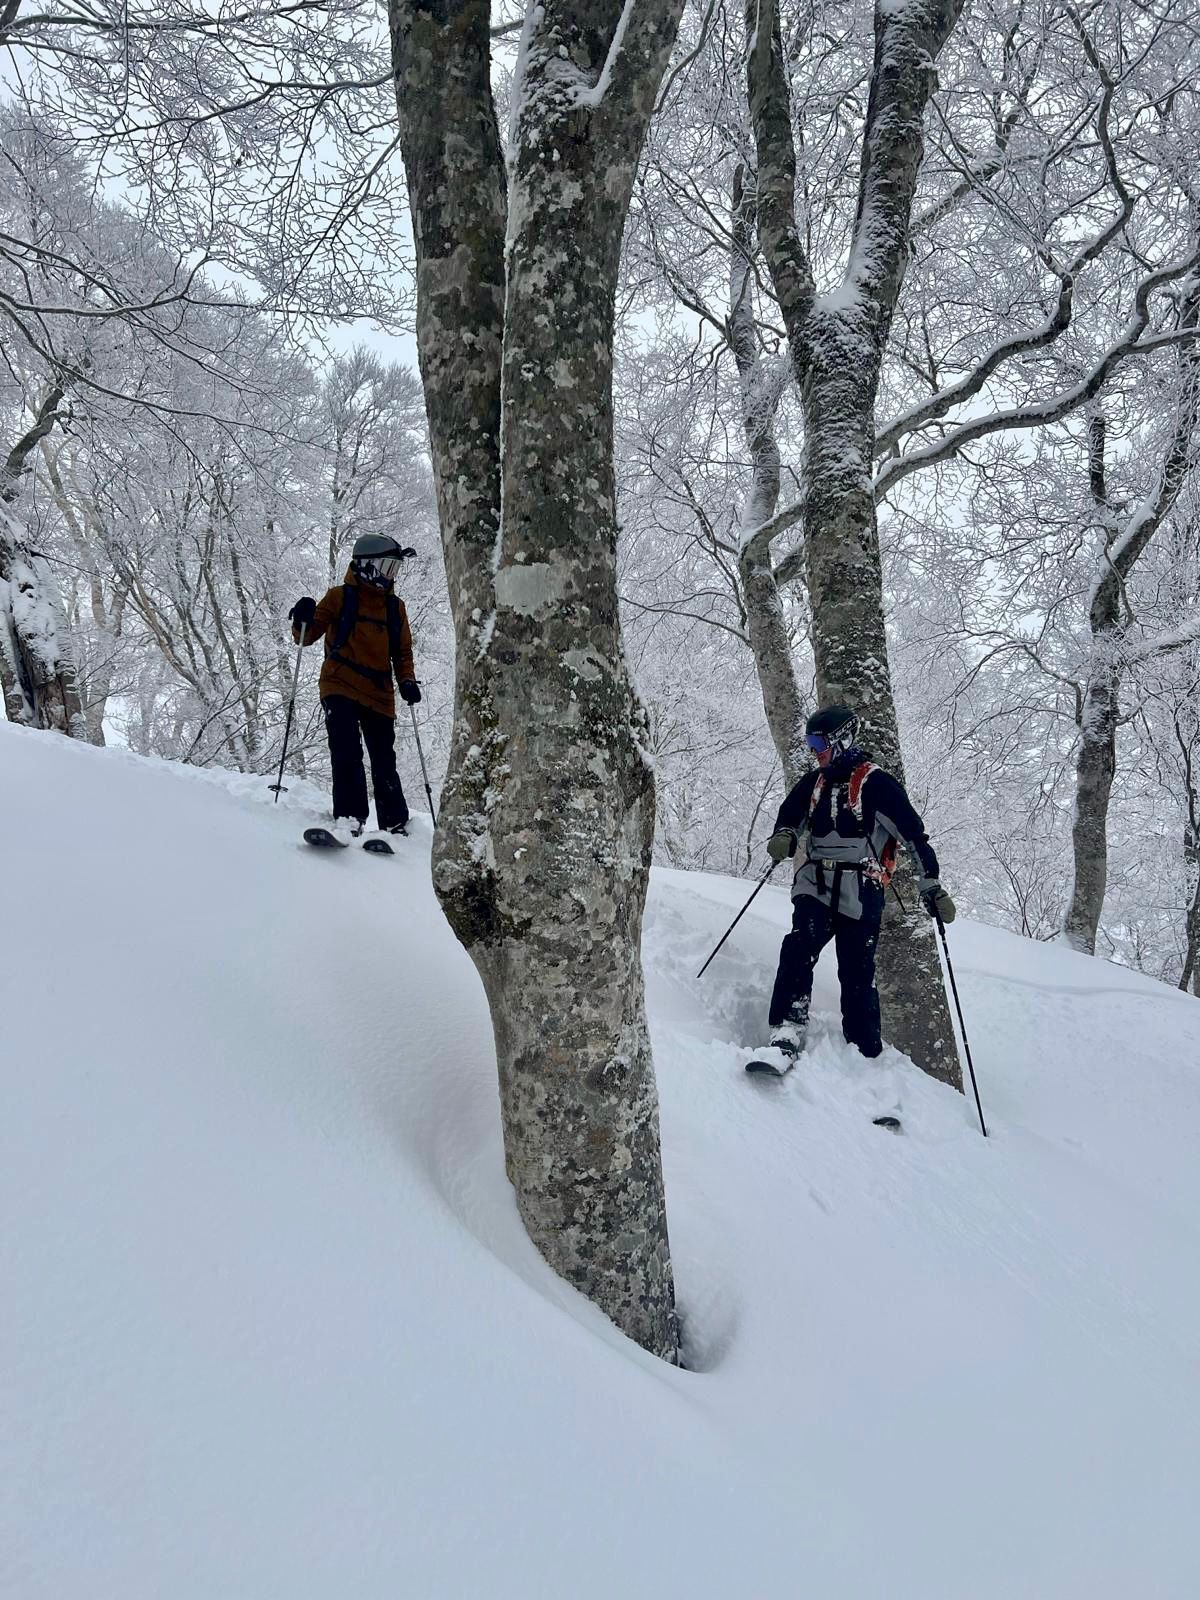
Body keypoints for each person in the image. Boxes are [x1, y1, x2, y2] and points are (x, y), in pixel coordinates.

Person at [764, 704, 955, 1064]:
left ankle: (864, 1050)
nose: (813, 750)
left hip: (862, 887)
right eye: (810, 742)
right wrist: (785, 834)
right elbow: (790, 814)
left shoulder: (878, 785)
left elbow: (914, 837)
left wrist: (931, 885)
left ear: (841, 740)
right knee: (798, 946)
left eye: (818, 742)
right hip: (816, 882)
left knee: (856, 969)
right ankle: (787, 1029)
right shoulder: (814, 783)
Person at [289, 533, 421, 840]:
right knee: (346, 749)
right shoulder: (339, 597)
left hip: (379, 692)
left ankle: (394, 824)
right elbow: (306, 636)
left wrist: (407, 680)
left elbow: (402, 652)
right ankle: (349, 817)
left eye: (395, 569)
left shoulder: (394, 608)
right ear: (366, 567)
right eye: (387, 567)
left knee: (384, 759)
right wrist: (302, 618)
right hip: (340, 683)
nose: (391, 576)